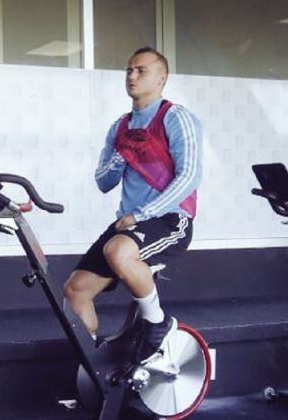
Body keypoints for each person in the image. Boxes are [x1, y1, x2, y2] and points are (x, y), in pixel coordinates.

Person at [63, 46, 202, 368]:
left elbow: (190, 175)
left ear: (162, 78)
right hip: (128, 225)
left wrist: (143, 214)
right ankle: (96, 370)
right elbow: (103, 182)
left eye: (141, 70)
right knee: (75, 291)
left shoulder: (175, 117)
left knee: (119, 251)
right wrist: (121, 154)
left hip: (169, 219)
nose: (132, 76)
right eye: (129, 70)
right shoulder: (120, 127)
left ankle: (157, 323)